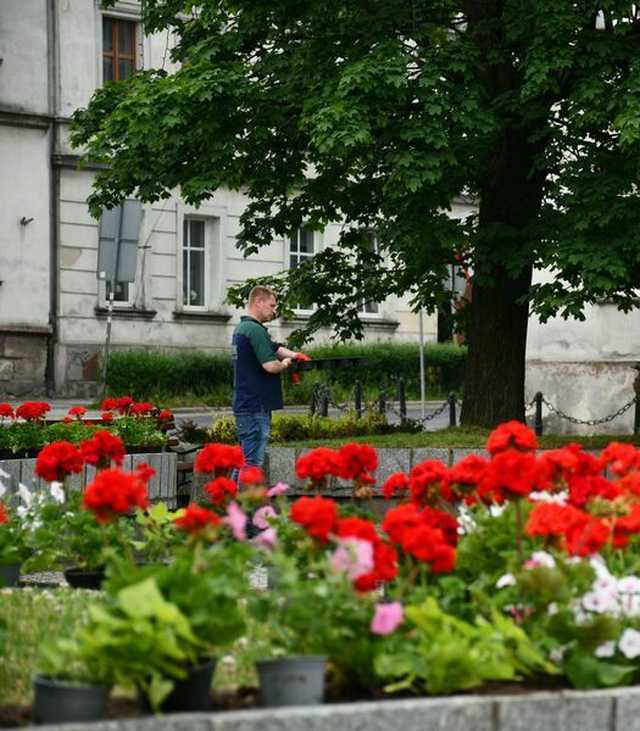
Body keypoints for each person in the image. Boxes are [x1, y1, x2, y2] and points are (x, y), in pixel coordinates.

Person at [232, 285, 300, 470]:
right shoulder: (255, 330)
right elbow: (271, 365)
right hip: (256, 407)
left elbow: (274, 347)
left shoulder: (243, 328)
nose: (274, 310)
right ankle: (246, 500)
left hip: (246, 405)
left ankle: (231, 498)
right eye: (271, 305)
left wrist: (296, 355)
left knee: (244, 463)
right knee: (252, 464)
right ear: (258, 302)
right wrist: (285, 364)